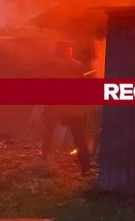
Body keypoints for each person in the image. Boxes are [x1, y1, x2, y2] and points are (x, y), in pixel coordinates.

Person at [41, 41, 92, 175]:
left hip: (55, 104)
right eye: (68, 50)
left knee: (49, 131)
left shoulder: (50, 63)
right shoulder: (77, 65)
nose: (69, 52)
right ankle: (85, 165)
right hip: (71, 106)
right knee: (78, 136)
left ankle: (45, 158)